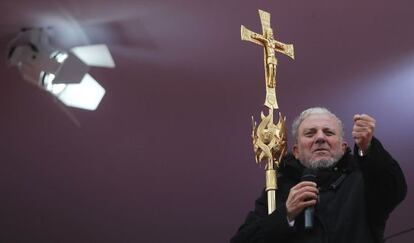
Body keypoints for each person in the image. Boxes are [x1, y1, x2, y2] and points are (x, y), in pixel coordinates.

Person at [230, 107, 407, 243]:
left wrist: (368, 148)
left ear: (343, 146)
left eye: (328, 132)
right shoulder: (278, 191)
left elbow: (394, 190)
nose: (320, 138)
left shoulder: (362, 180)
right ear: (296, 151)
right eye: (310, 133)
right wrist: (285, 214)